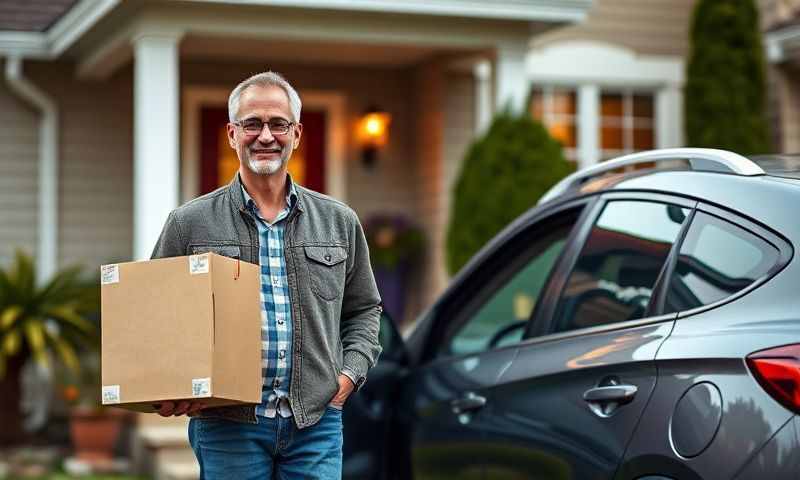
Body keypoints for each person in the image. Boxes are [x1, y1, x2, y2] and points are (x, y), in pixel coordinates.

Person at [150, 71, 383, 479]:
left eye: (278, 124)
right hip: (227, 425)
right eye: (252, 123)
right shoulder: (189, 224)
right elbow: (155, 316)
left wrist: (348, 377)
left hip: (316, 421)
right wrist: (170, 386)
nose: (265, 135)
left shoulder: (339, 222)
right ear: (231, 134)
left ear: (296, 133)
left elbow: (364, 310)